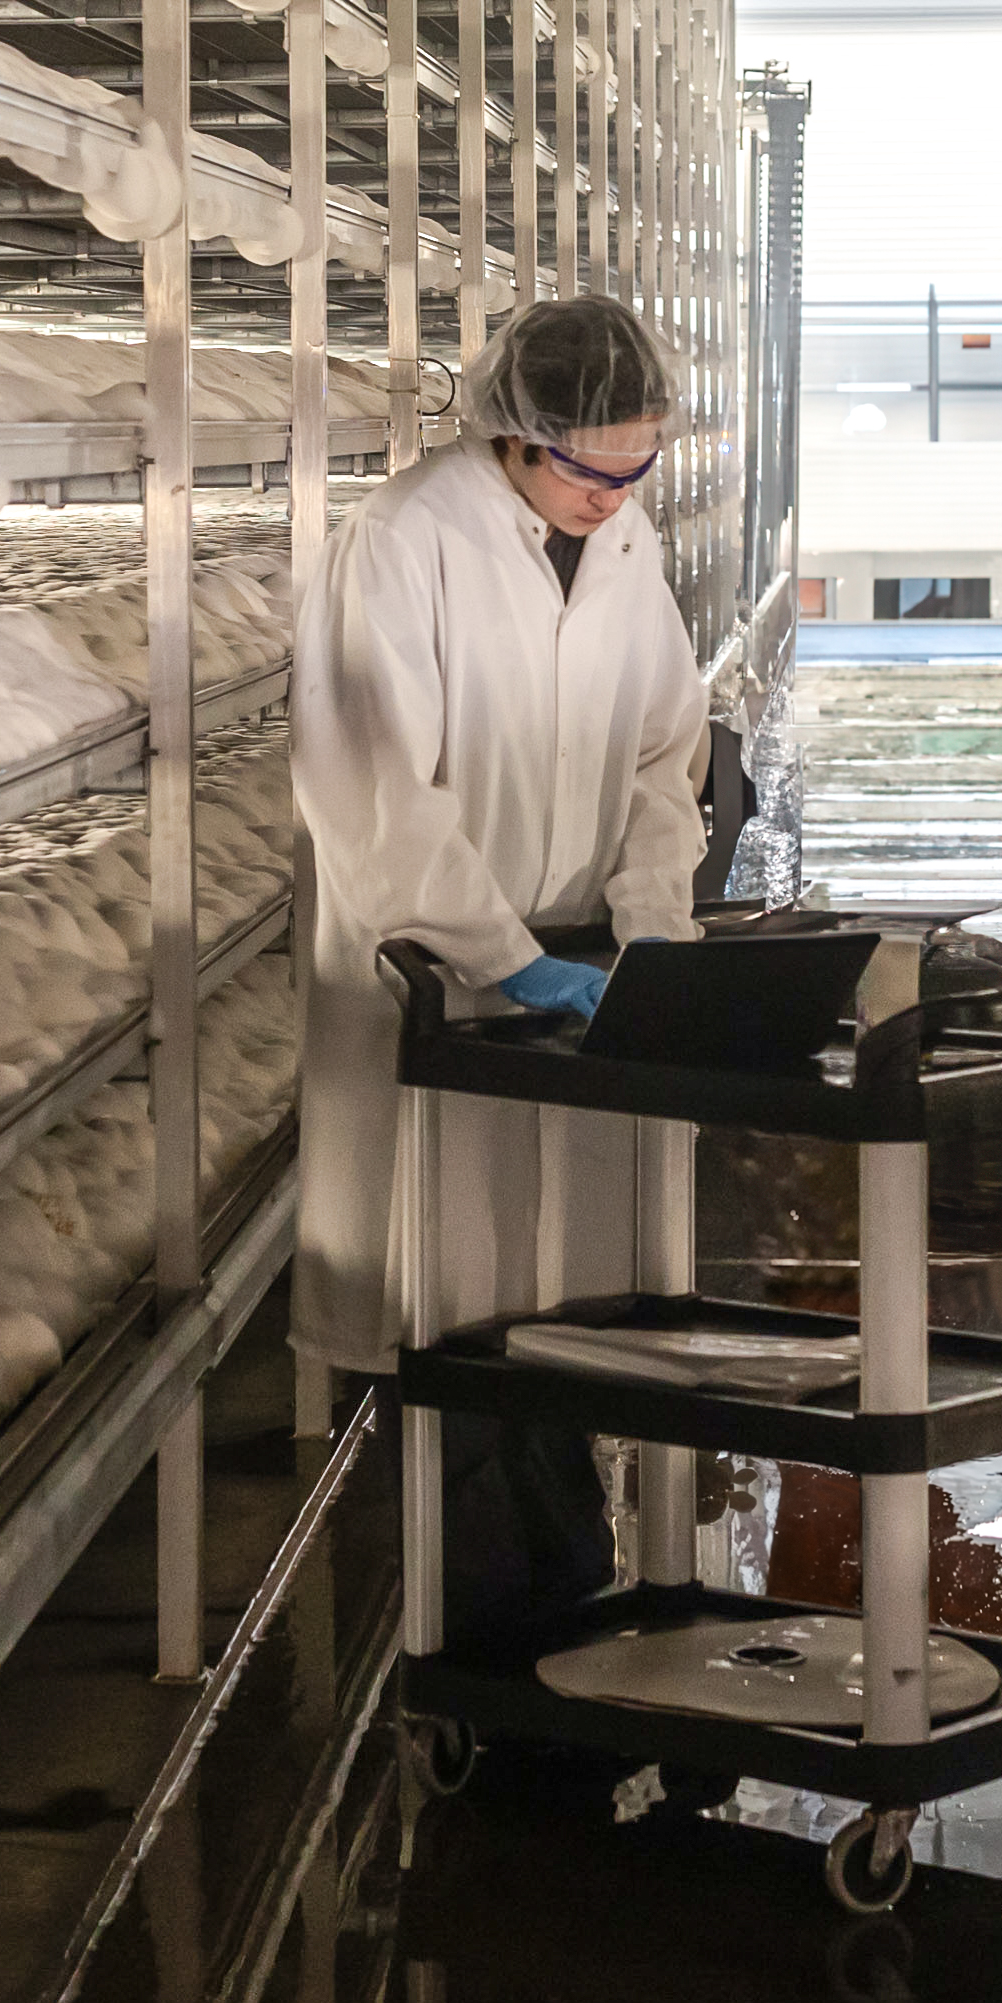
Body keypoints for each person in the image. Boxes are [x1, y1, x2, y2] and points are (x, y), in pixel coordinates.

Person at [294, 293, 710, 1637]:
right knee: (457, 1312)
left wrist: (651, 932)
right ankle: (489, 1649)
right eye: (593, 465)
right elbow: (371, 786)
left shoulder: (624, 539)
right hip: (437, 978)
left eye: (638, 462)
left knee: (570, 1305)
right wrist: (506, 957)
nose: (615, 490)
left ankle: (566, 1595)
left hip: (583, 974)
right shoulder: (407, 540)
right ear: (517, 437)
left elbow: (662, 753)